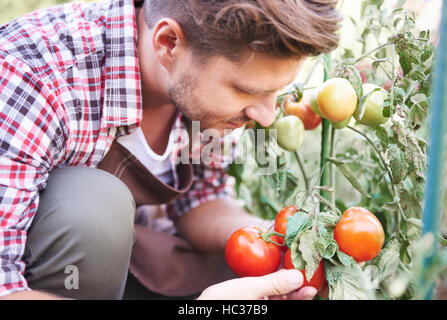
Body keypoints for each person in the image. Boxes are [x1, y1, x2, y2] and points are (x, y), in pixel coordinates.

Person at [0, 0, 342, 300]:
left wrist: (278, 240)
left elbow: (201, 200)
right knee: (92, 204)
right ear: (169, 44)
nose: (267, 117)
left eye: (275, 91)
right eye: (245, 90)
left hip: (134, 265)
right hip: (52, 281)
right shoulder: (34, 77)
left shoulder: (198, 86)